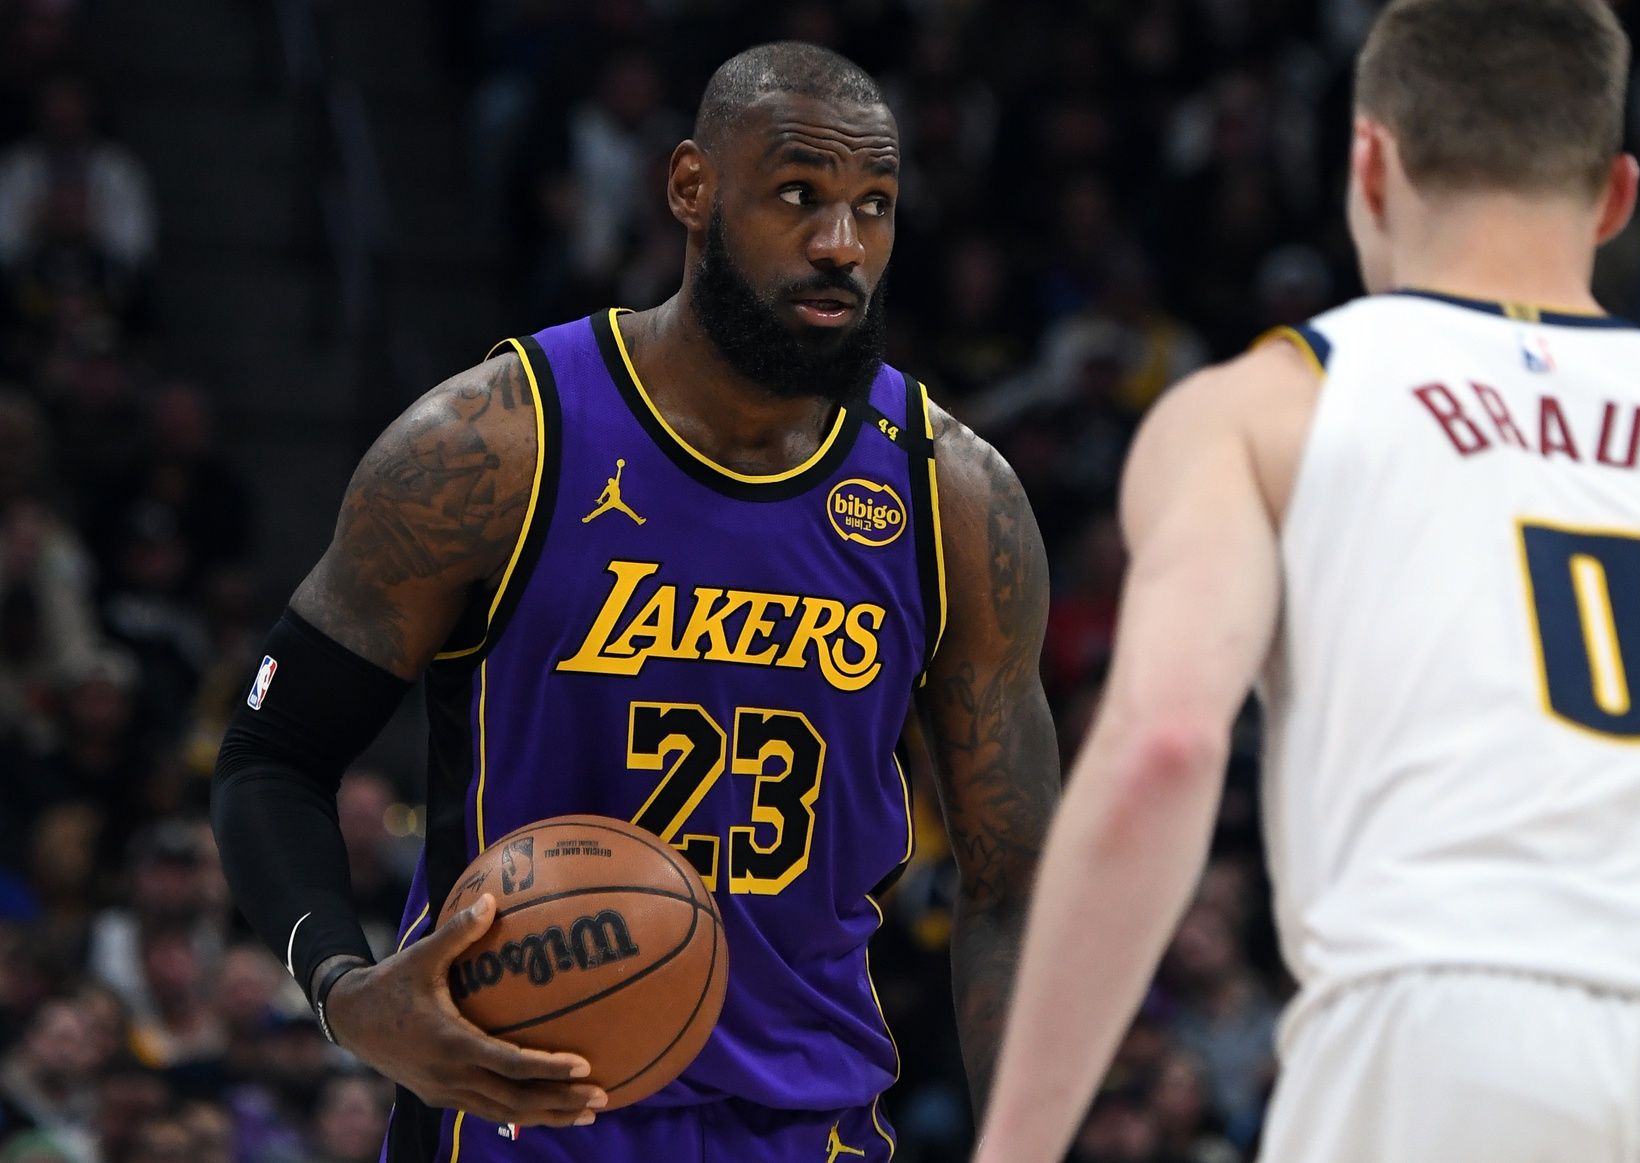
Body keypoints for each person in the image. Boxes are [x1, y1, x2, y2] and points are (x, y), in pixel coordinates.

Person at [210, 41, 1058, 1163]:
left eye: (875, 207)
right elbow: (272, 754)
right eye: (798, 196)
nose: (839, 247)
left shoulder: (950, 495)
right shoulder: (495, 444)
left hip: (805, 1125)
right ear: (692, 188)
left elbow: (1015, 884)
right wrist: (343, 983)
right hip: (512, 1114)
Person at [974, 1, 1640, 1160]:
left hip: (1434, 1021)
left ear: (1368, 163)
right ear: (1619, 193)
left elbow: (1163, 747)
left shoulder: (1264, 405)